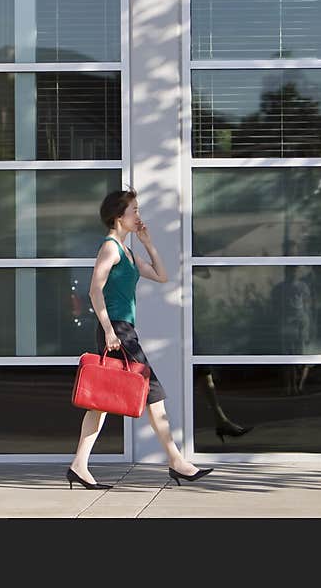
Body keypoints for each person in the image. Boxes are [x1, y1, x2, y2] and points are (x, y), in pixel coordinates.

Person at [67, 188, 214, 489]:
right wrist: (108, 330)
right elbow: (95, 290)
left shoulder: (128, 252)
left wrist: (147, 243)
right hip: (118, 331)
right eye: (134, 210)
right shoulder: (110, 248)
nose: (138, 216)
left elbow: (162, 276)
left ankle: (79, 465)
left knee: (101, 402)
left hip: (124, 331)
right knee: (153, 394)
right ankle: (176, 462)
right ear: (118, 216)